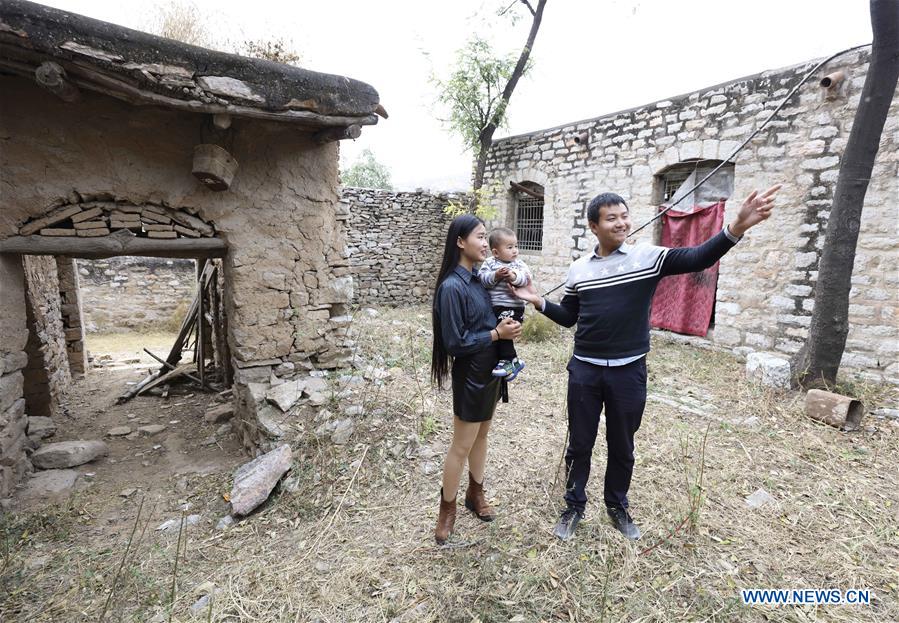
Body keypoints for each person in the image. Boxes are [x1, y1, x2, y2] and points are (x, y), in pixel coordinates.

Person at [512, 185, 782, 541]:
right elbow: (569, 317)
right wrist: (537, 301)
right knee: (580, 442)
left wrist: (736, 227)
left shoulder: (647, 258)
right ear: (594, 226)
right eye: (612, 219)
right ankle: (574, 505)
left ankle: (617, 505)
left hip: (629, 371)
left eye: (624, 216)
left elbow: (698, 257)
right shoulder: (579, 270)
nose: (621, 223)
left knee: (623, 443)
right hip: (585, 370)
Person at [431, 214, 522, 545]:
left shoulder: (479, 280)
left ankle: (475, 493)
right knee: (461, 445)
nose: (486, 243)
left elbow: (493, 319)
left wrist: (506, 330)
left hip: (491, 371)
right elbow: (455, 343)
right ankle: (447, 509)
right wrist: (496, 334)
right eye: (480, 237)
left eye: (487, 238)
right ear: (460, 242)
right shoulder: (452, 287)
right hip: (470, 375)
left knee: (482, 436)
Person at [477, 227, 531, 380]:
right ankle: (508, 363)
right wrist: (496, 275)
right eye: (509, 247)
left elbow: (526, 279)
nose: (514, 250)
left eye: (516, 246)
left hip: (513, 307)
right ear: (495, 252)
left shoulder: (518, 265)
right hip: (494, 307)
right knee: (497, 333)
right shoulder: (489, 263)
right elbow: (482, 279)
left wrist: (513, 276)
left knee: (504, 329)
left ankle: (510, 360)